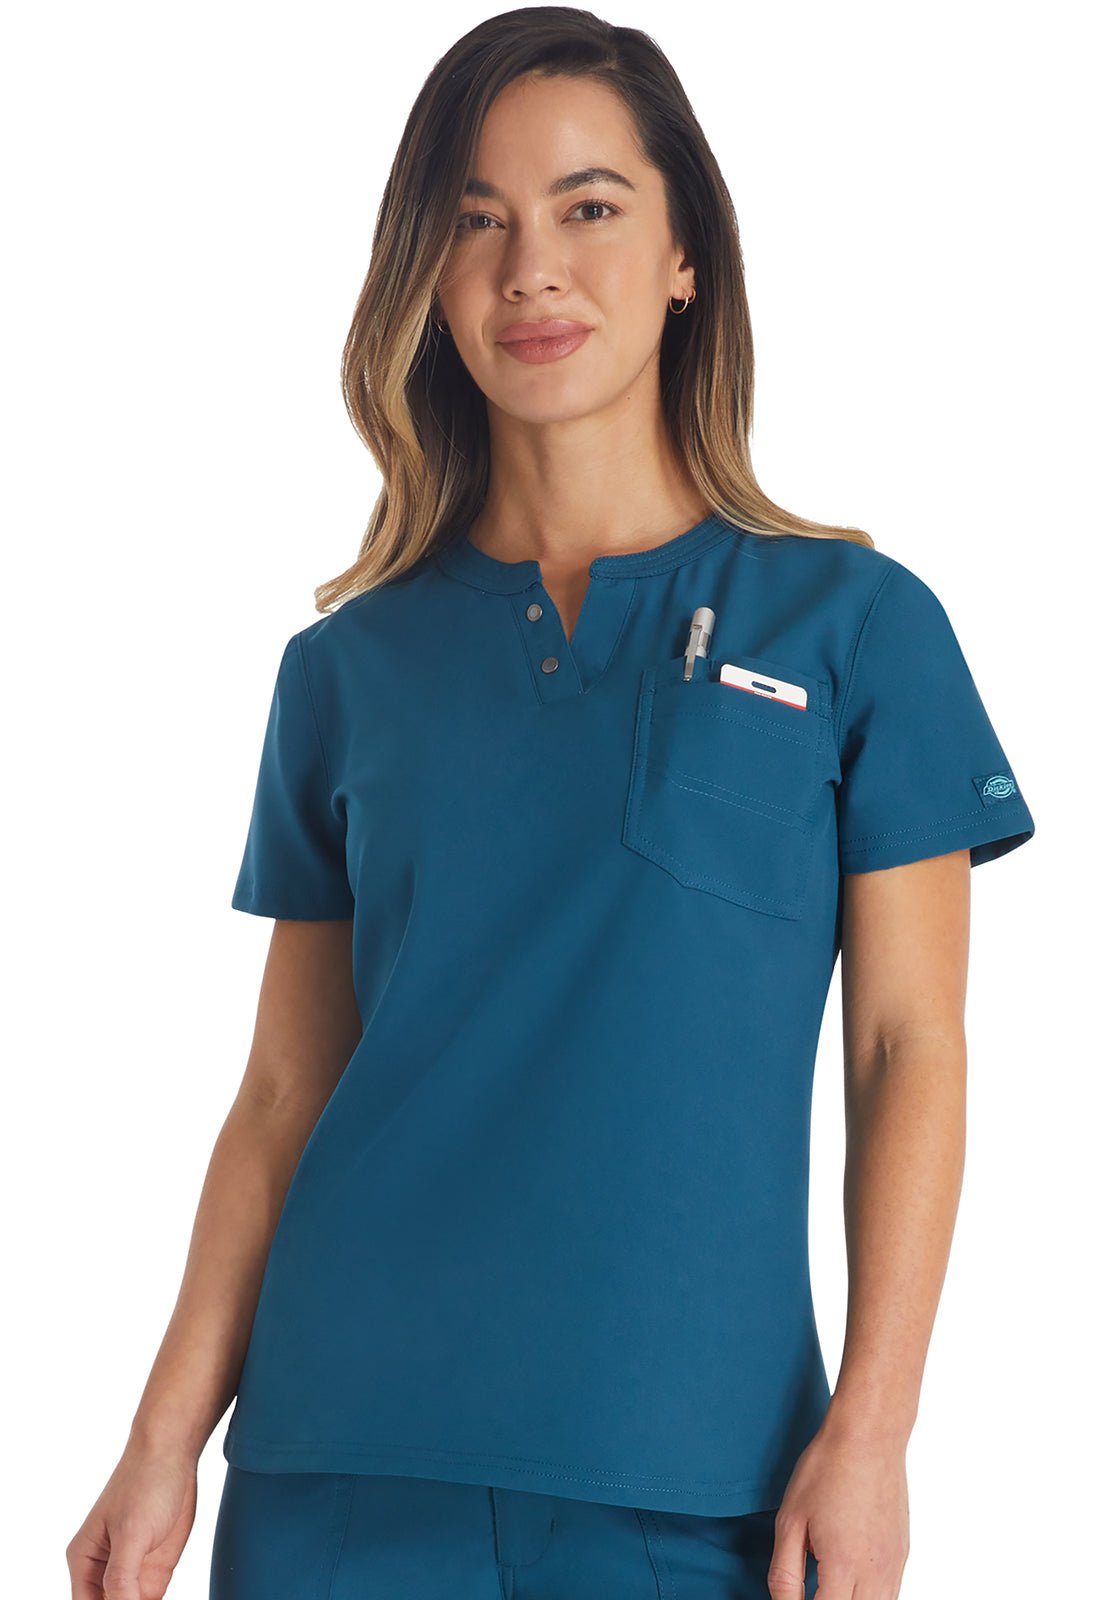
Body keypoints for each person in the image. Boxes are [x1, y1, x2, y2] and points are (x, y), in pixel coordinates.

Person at [66, 9, 1037, 1599]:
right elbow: (284, 1094)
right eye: (477, 222)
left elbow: (906, 1047)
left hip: (698, 1482)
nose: (532, 270)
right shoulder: (346, 668)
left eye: (589, 208)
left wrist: (875, 1430)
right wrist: (162, 1438)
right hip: (338, 1471)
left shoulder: (856, 628)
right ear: (428, 275)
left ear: (684, 255)